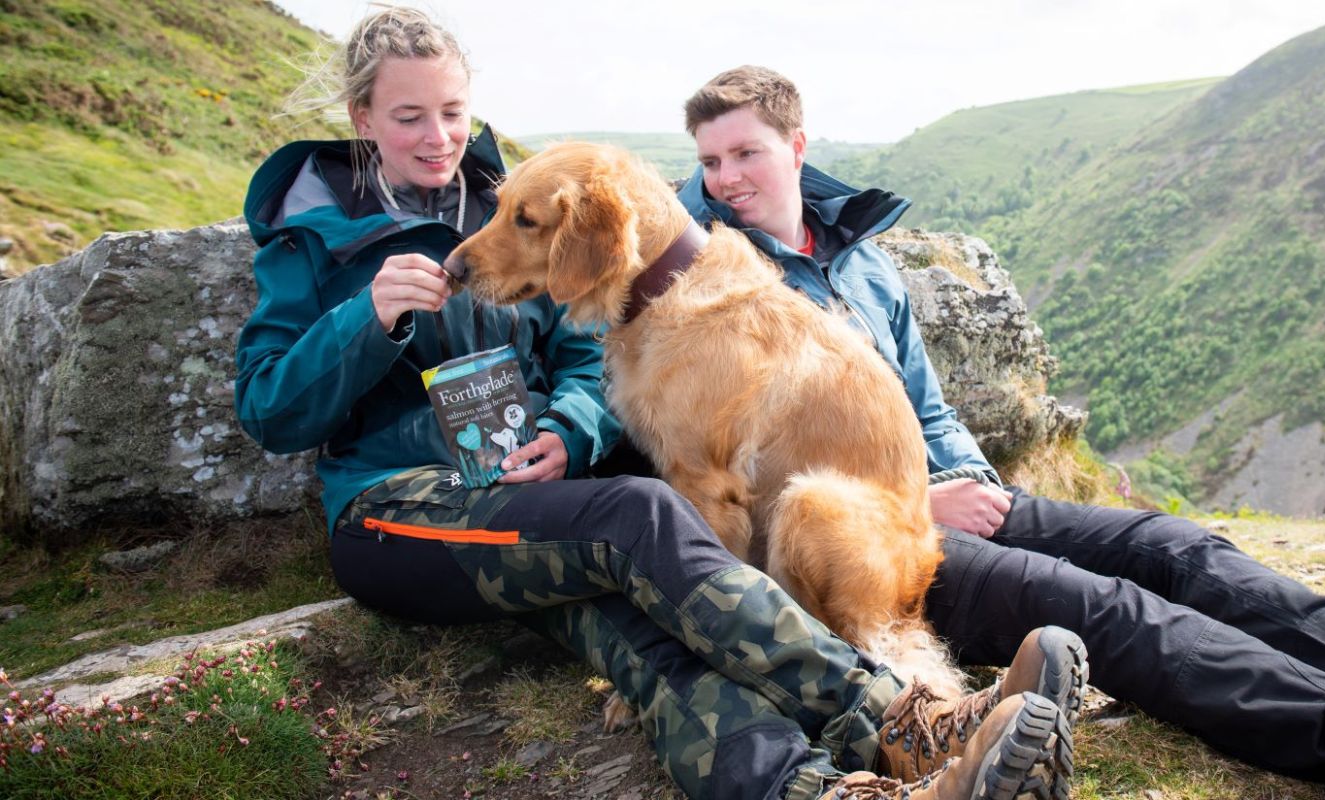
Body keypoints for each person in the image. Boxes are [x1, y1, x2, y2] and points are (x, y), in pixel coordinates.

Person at [671, 65, 1325, 800]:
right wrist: (906, 499)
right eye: (708, 160)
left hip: (960, 502)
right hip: (864, 544)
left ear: (796, 146)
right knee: (1108, 608)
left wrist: (975, 480)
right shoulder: (715, 294)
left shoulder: (864, 261)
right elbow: (741, 474)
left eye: (745, 152)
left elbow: (928, 406)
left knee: (1174, 544)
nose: (725, 178)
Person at [233, 10, 1084, 800]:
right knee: (636, 513)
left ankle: (821, 787)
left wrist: (569, 428)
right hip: (394, 511)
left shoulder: (515, 203)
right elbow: (270, 411)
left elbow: (579, 362)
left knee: (656, 648)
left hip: (523, 501)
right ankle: (912, 720)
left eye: (453, 111)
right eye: (409, 116)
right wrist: (365, 317)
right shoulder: (313, 237)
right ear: (361, 118)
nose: (440, 137)